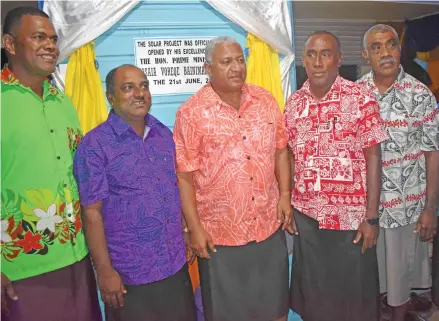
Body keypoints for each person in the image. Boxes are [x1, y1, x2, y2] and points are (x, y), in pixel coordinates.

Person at [173, 36, 291, 321]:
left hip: (267, 226)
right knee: (228, 313)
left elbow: (280, 151)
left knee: (275, 308)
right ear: (208, 68)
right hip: (220, 236)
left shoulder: (265, 100)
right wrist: (194, 227)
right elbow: (184, 175)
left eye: (240, 60)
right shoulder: (191, 113)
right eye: (226, 62)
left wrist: (285, 194)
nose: (236, 67)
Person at [0, 7, 102, 321]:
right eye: (39, 37)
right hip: (19, 268)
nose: (51, 46)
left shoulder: (62, 101)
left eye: (54, 39)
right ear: (10, 44)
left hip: (76, 257)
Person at [73, 64, 197, 321]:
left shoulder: (162, 134)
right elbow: (91, 213)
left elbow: (172, 189)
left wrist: (185, 230)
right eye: (128, 88)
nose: (139, 93)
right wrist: (105, 271)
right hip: (129, 276)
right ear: (110, 97)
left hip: (174, 265)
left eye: (143, 86)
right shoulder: (95, 146)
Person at [284, 31, 388, 321]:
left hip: (351, 221)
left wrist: (371, 217)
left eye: (326, 53)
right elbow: (291, 156)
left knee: (355, 300)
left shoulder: (361, 99)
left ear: (339, 59)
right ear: (304, 59)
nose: (318, 61)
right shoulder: (293, 104)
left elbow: (374, 156)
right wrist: (288, 201)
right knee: (316, 299)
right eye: (312, 54)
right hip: (308, 218)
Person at [357, 24, 439, 321]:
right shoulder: (355, 95)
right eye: (376, 47)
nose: (385, 52)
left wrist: (430, 208)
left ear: (399, 49)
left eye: (390, 44)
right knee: (370, 279)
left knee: (401, 278)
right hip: (365, 211)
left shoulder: (420, 95)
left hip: (407, 207)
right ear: (366, 55)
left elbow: (433, 153)